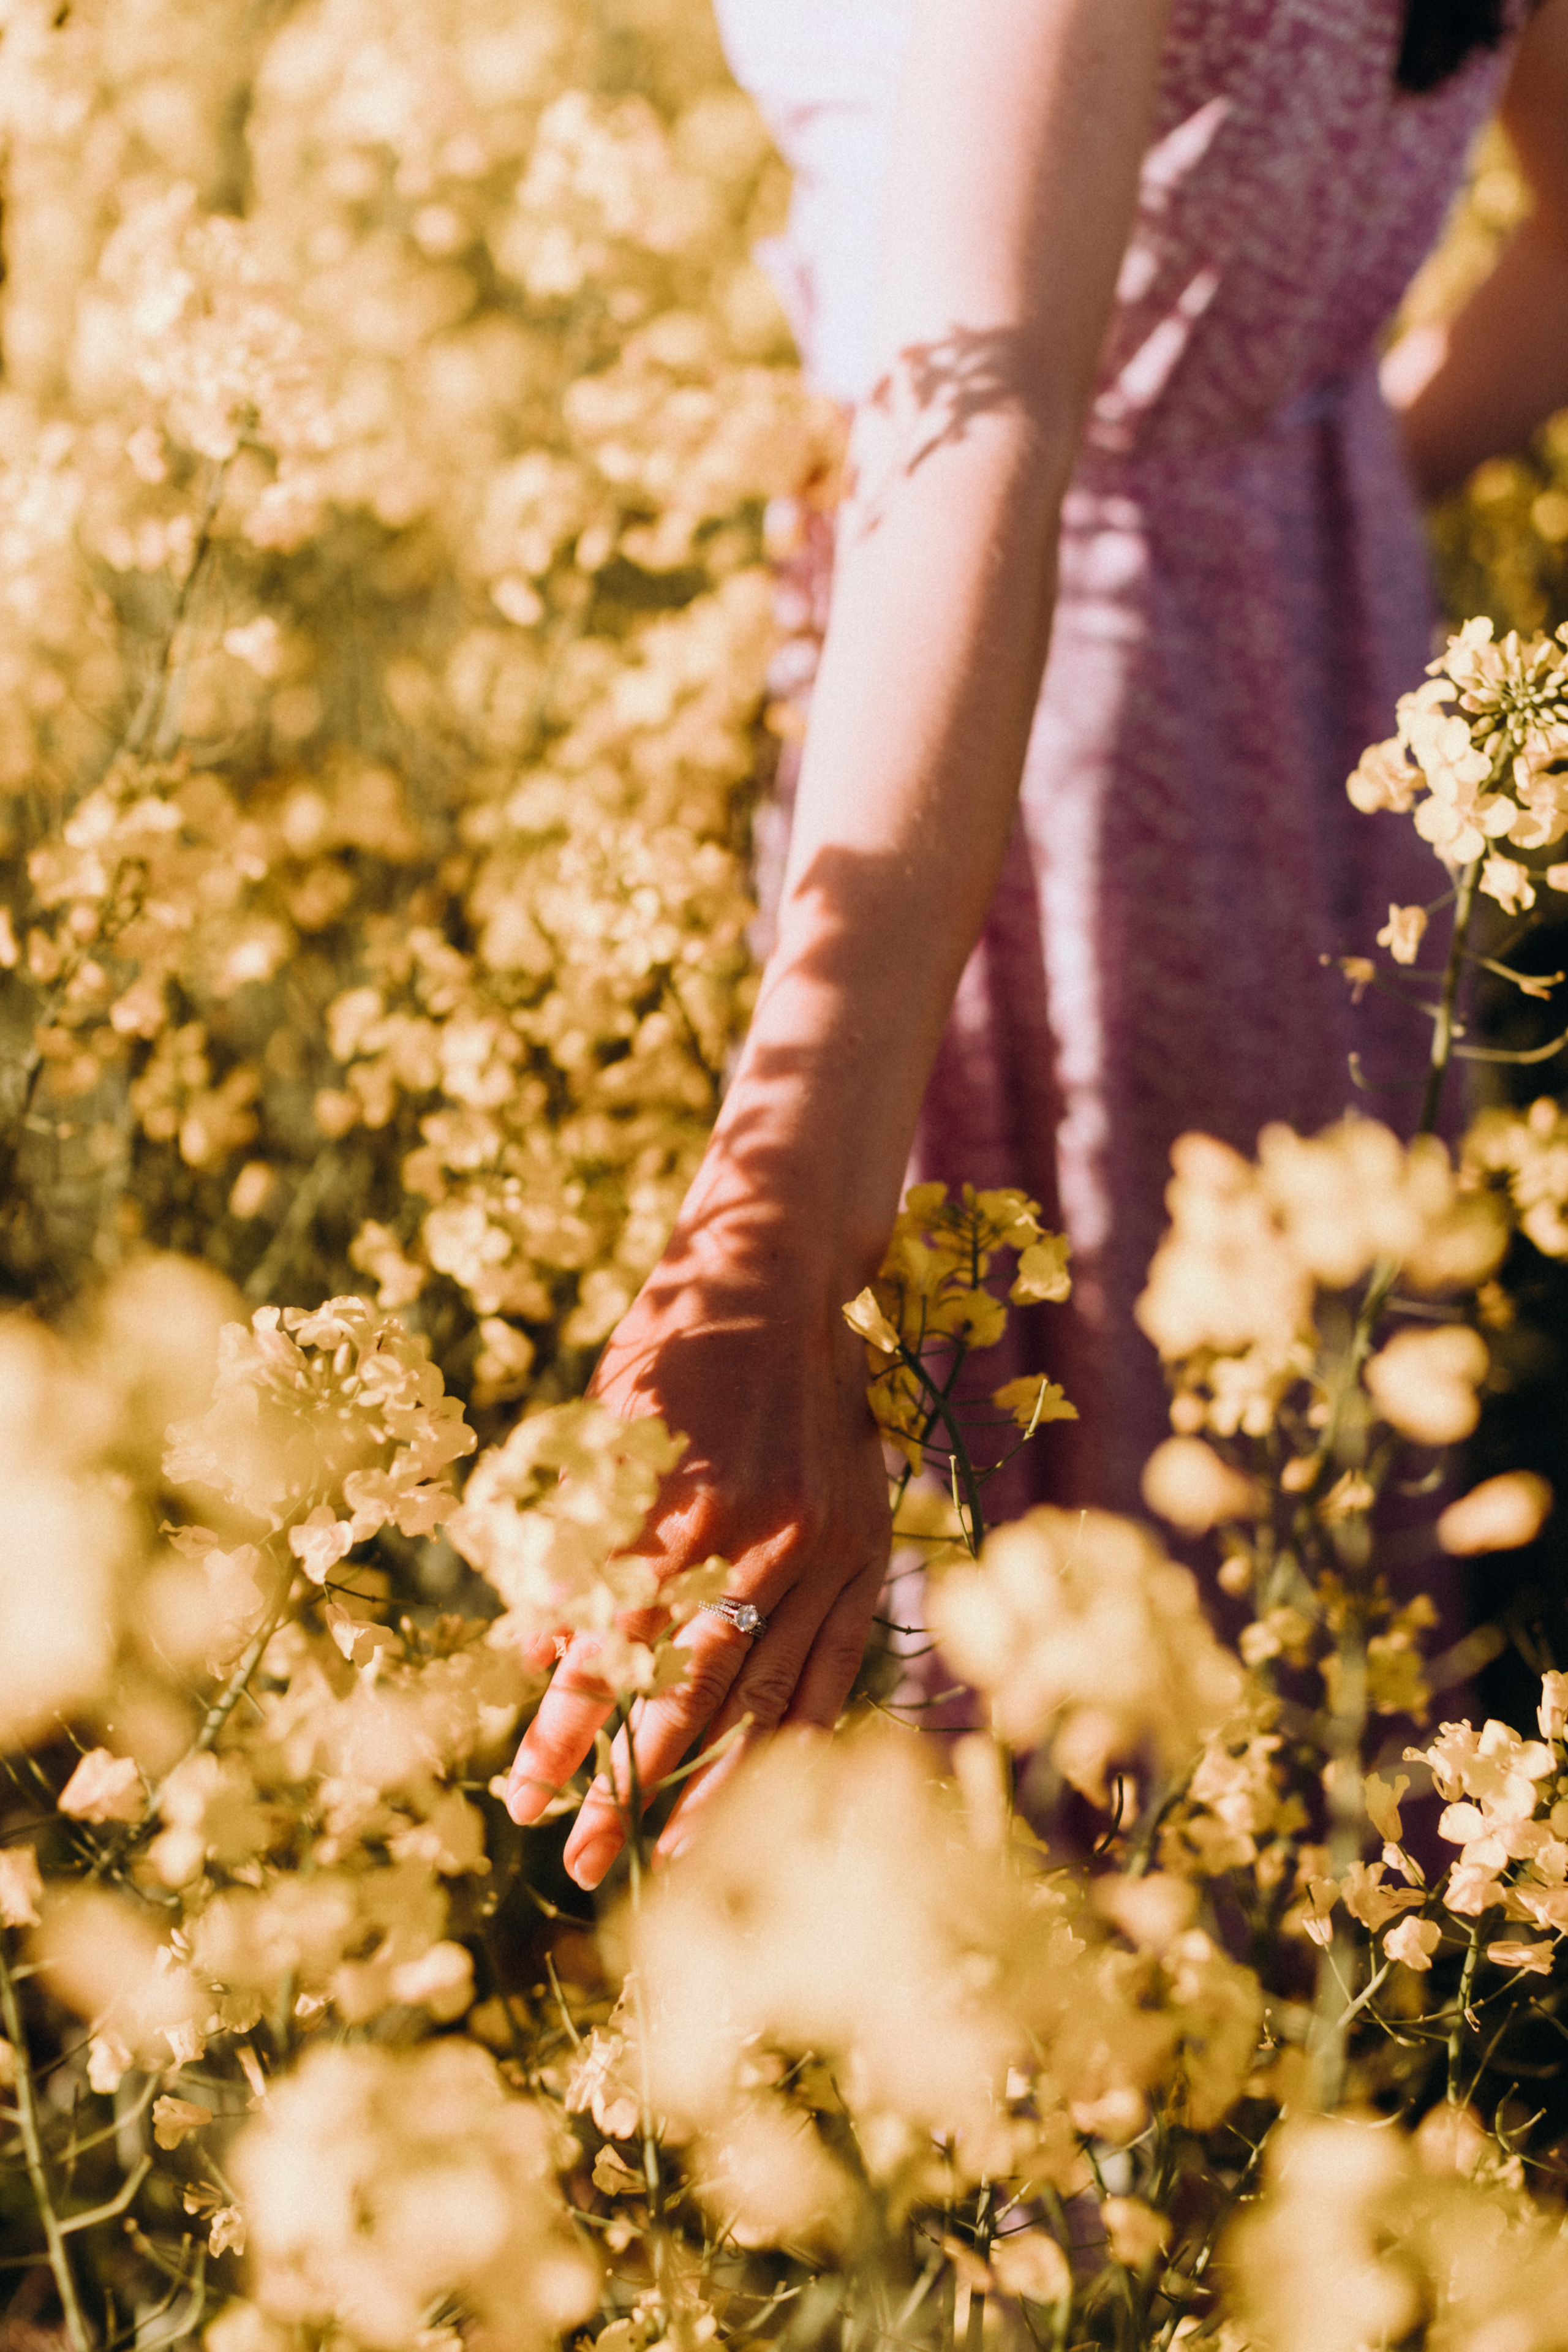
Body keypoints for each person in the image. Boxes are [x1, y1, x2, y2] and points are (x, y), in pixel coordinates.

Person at [507, 0, 1568, 1890]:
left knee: (1045, 1594)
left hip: (1019, 729)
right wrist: (1294, 489)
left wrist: (772, 1241)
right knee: (1278, 1527)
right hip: (1321, 656)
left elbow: (982, 417)